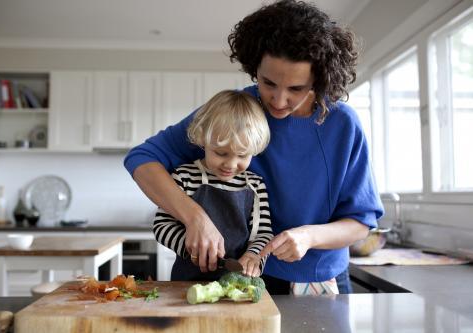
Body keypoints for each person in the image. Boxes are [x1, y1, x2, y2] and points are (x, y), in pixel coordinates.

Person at [124, 0, 383, 295]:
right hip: (239, 276)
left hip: (317, 279)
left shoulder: (343, 125)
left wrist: (310, 236)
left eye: (296, 88)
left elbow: (360, 223)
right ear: (254, 67)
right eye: (268, 82)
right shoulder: (234, 112)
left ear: (319, 79)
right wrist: (194, 217)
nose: (278, 100)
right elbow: (143, 159)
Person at [152, 90, 273, 281]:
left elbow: (263, 233)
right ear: (202, 139)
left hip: (237, 283)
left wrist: (253, 256)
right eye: (221, 153)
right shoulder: (184, 176)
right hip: (186, 282)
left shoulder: (255, 185)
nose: (231, 164)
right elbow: (161, 225)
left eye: (242, 155)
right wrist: (191, 248)